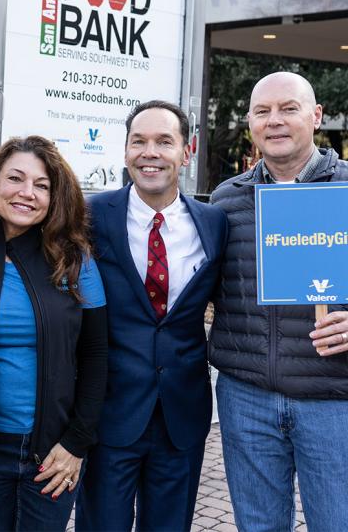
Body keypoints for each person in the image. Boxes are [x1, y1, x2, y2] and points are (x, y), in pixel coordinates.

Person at [209, 72, 348, 531]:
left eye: (288, 108)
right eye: (262, 111)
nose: (275, 121)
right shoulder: (226, 200)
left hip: (332, 401)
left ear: (316, 116)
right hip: (246, 399)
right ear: (249, 121)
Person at [76, 101, 228, 531]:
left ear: (187, 150)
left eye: (164, 141)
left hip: (182, 415)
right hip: (110, 413)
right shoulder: (90, 215)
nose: (150, 152)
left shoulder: (213, 223)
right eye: (138, 141)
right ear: (124, 151)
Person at [0, 136, 108, 531]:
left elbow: (95, 355)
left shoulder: (74, 258)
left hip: (52, 453)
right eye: (15, 179)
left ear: (55, 197)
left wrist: (76, 443)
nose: (27, 193)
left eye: (41, 185)